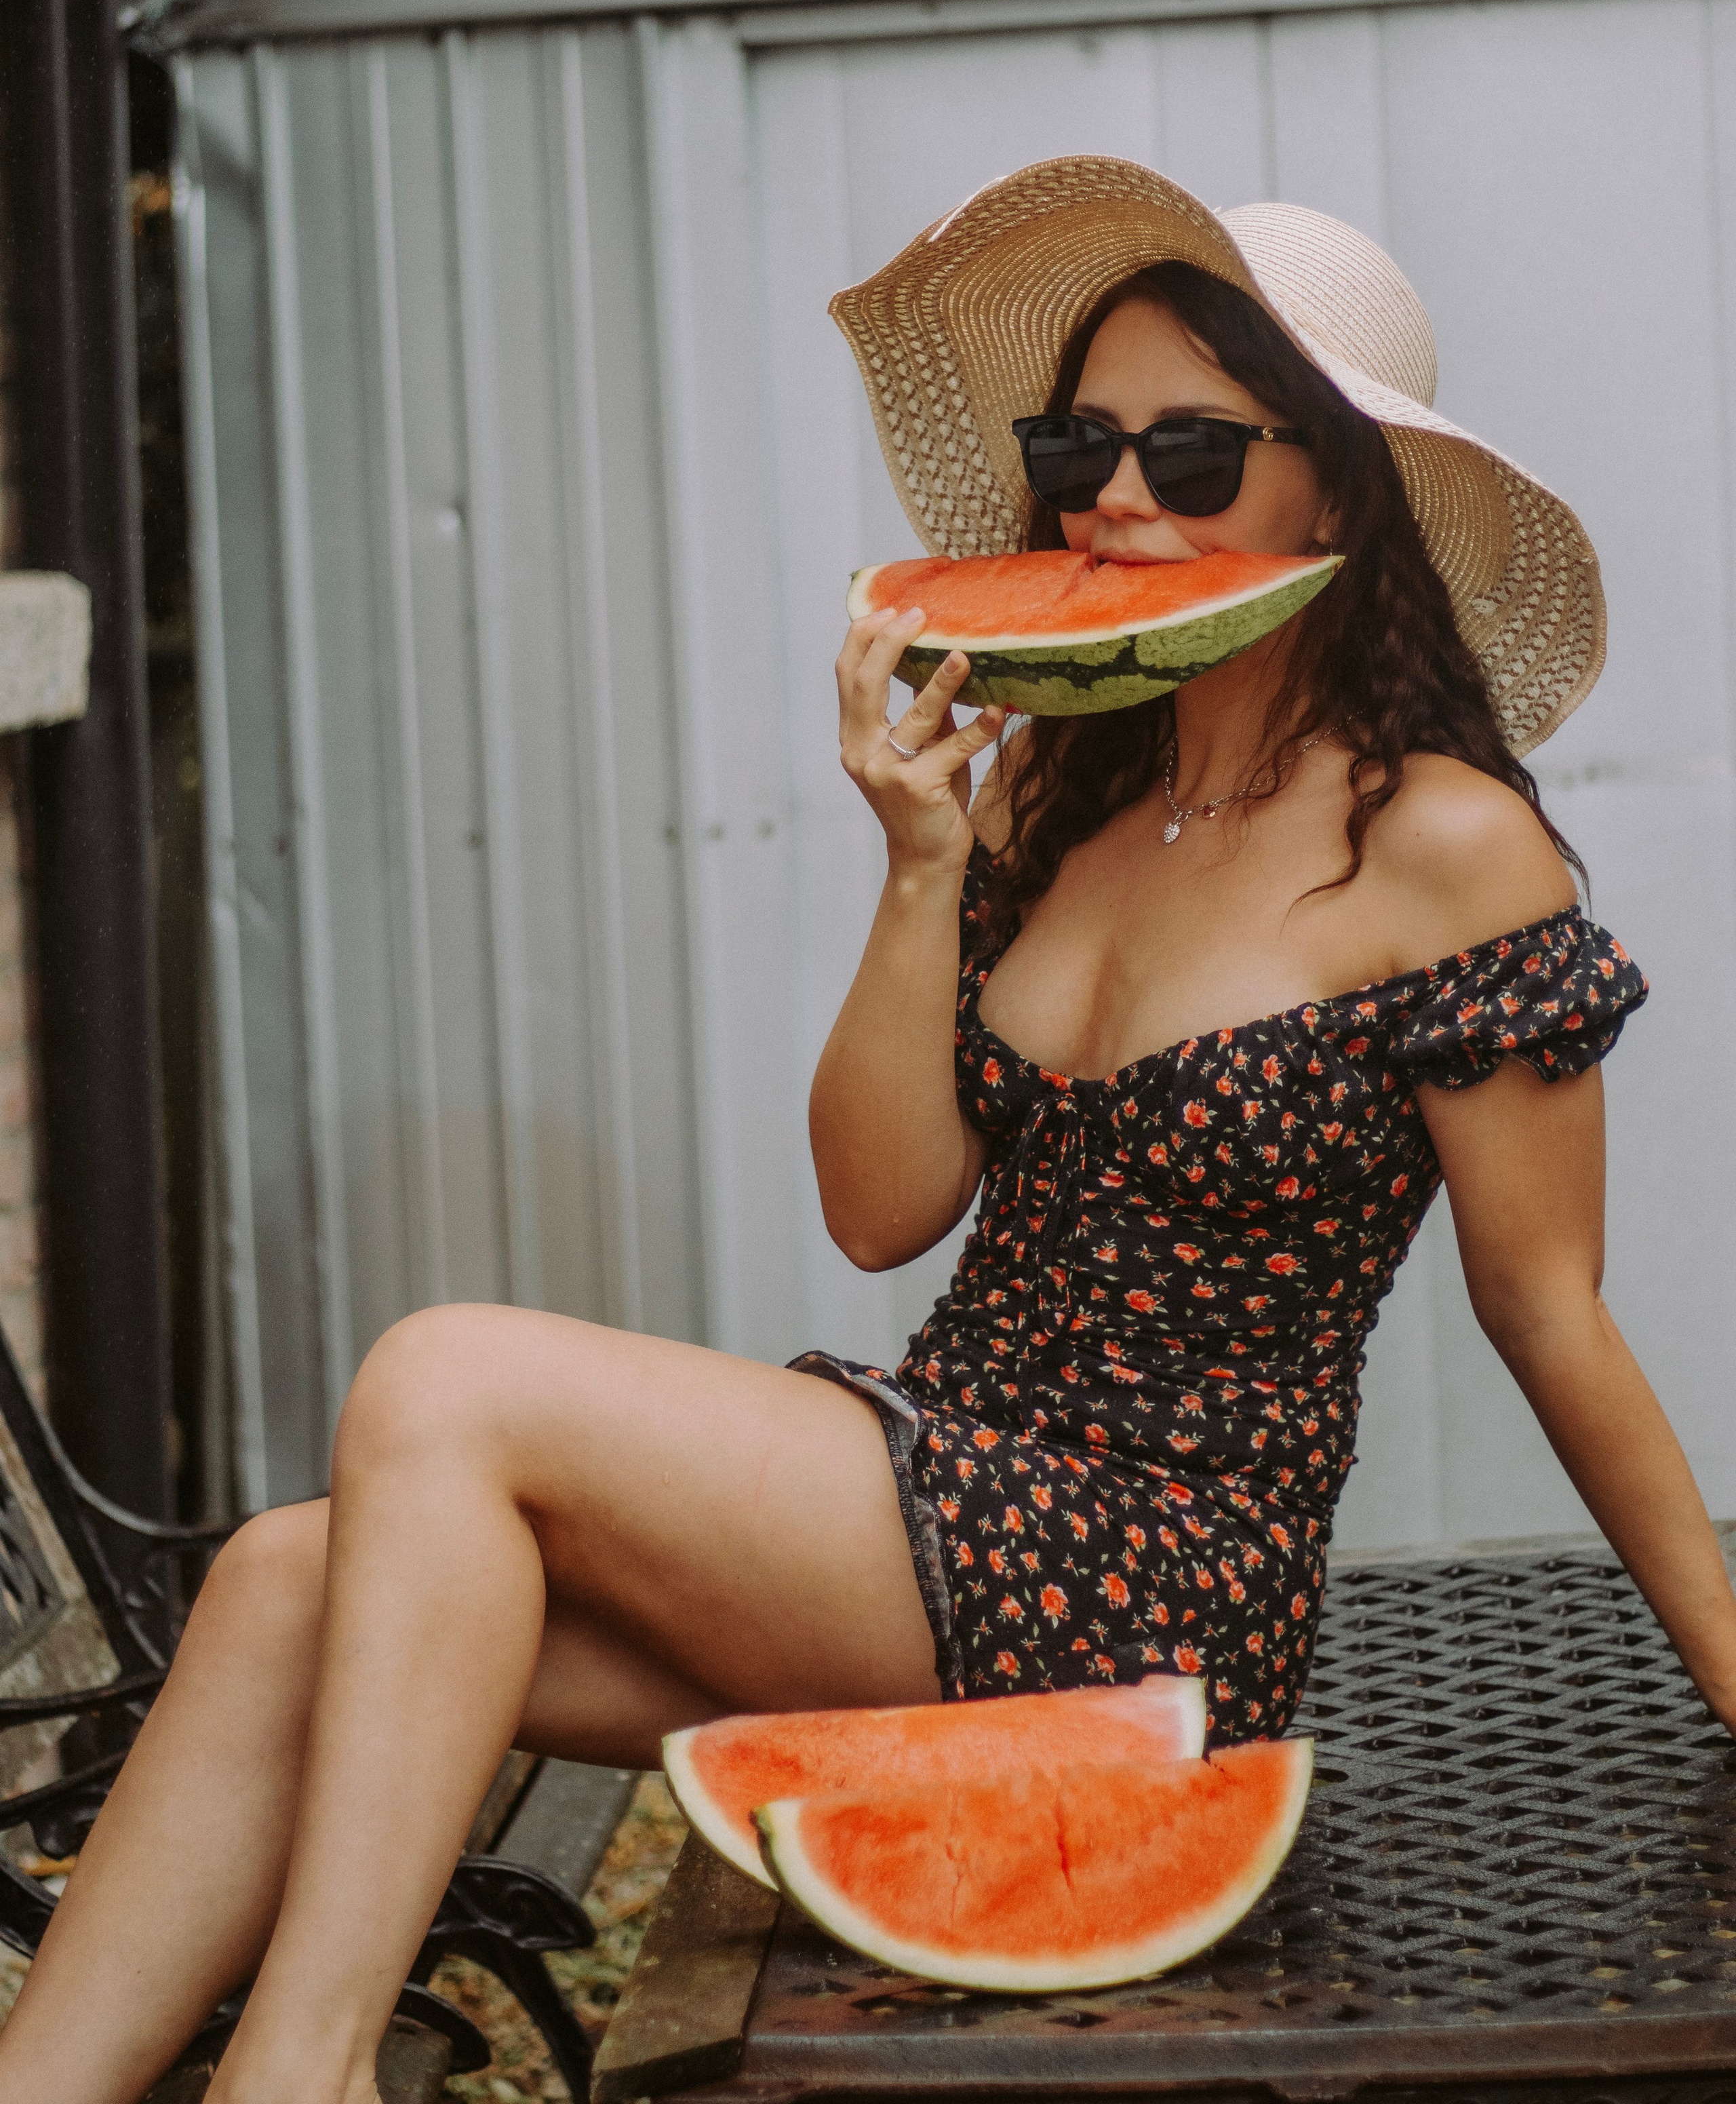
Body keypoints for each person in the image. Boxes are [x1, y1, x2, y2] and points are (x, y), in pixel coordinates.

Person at [2, 160, 1731, 2104]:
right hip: (940, 1485)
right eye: (1083, 444)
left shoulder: (1445, 846)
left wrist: (1733, 1669)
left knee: (443, 1379)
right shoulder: (1052, 798)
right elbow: (881, 1211)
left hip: (1154, 1580)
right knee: (279, 1592)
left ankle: (292, 2082)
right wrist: (919, 864)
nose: (1120, 501)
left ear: (1340, 486)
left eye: (1191, 449)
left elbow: (1550, 1308)